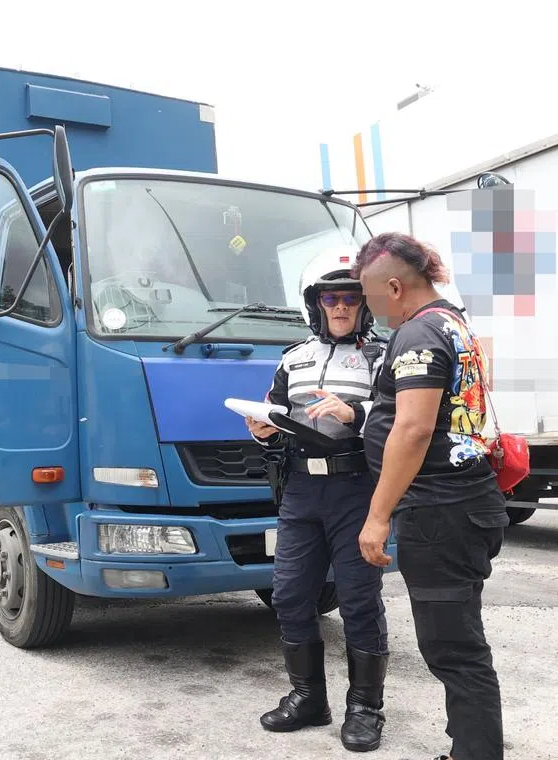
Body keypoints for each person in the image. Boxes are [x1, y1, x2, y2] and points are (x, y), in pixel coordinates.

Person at [353, 232, 508, 760]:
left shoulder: (418, 333)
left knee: (454, 649)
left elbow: (414, 429)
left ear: (394, 287)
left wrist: (377, 516)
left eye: (369, 295)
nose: (368, 307)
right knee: (457, 640)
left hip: (441, 513)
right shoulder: (453, 323)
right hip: (465, 505)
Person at [247, 249, 391, 752]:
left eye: (351, 297)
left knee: (358, 600)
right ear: (316, 304)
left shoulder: (380, 357)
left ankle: (365, 709)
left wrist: (355, 413)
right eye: (331, 298)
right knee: (288, 594)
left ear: (363, 304)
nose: (341, 306)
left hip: (357, 489)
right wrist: (262, 429)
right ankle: (308, 698)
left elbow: (400, 417)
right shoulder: (293, 359)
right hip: (302, 491)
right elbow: (275, 414)